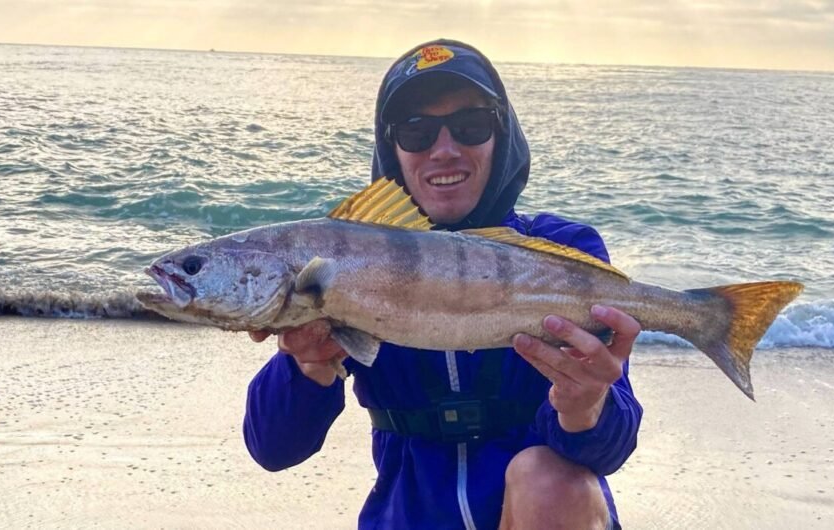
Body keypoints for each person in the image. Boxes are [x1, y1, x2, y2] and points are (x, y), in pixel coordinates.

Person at [243, 39, 643, 530]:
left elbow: (611, 447)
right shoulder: (348, 259)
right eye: (416, 131)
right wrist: (307, 365)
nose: (445, 150)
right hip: (406, 512)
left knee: (549, 479)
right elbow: (274, 448)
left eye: (472, 125)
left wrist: (585, 407)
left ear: (503, 136)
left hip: (542, 514)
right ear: (390, 147)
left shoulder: (563, 248)